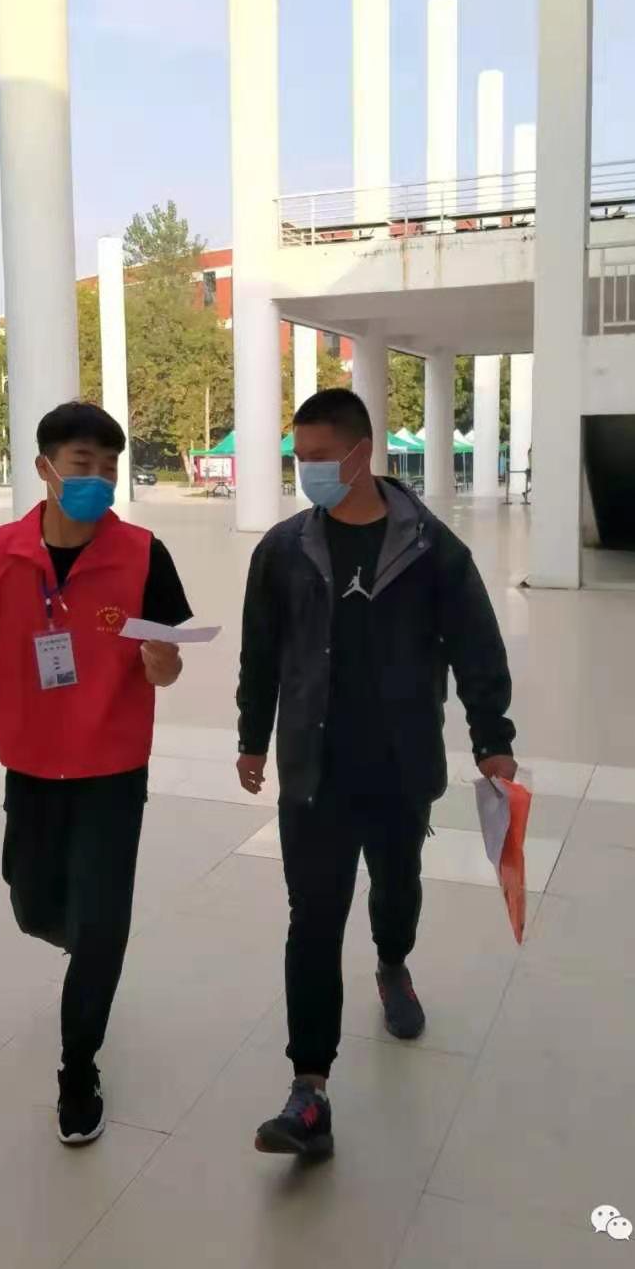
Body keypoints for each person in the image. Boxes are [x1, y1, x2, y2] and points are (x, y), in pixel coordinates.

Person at [0, 402, 191, 1145]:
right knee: (32, 906)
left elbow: (167, 663)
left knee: (101, 925)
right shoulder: (0, 552)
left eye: (109, 468)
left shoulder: (144, 554)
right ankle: (80, 935)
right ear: (45, 468)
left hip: (112, 767)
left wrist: (163, 662)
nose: (98, 479)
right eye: (83, 464)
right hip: (29, 764)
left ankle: (78, 1068)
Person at [236, 388, 515, 1158]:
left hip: (399, 766)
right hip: (312, 771)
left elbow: (476, 647)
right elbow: (261, 651)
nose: (308, 471)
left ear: (362, 454)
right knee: (312, 919)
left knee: (396, 889)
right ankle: (310, 1089)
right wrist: (252, 737)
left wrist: (493, 738)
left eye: (321, 457)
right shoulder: (283, 550)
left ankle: (393, 962)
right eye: (300, 458)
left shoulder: (431, 549)